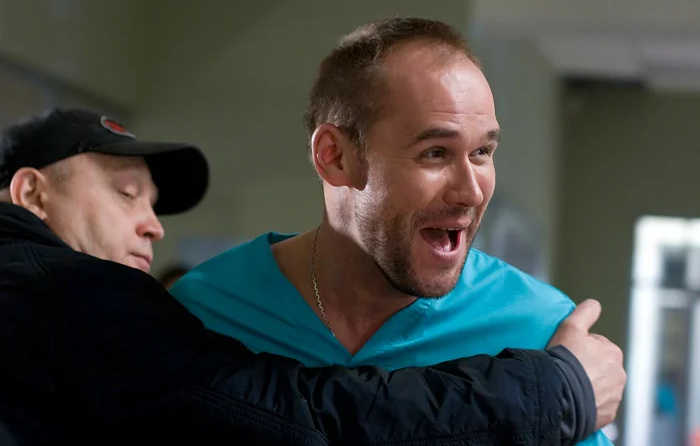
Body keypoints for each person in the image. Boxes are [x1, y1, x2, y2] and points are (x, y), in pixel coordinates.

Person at [0, 108, 622, 445]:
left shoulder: (538, 317)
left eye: (482, 152)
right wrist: (555, 392)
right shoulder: (64, 292)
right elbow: (297, 418)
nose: (154, 227)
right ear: (30, 192)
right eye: (126, 194)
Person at [171, 17, 625, 445]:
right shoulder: (205, 309)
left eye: (482, 153)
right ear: (335, 156)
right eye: (435, 153)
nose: (471, 191)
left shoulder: (540, 334)